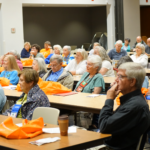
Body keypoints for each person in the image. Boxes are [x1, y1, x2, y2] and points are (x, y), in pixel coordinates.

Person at [99, 62, 150, 150]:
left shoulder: (134, 106)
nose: (116, 80)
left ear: (132, 81)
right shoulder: (132, 100)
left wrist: (109, 100)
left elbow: (104, 127)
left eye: (120, 76)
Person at [75, 55, 105, 129]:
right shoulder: (86, 74)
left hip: (88, 104)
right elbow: (77, 88)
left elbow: (95, 95)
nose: (87, 66)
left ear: (96, 67)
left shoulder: (98, 77)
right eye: (86, 64)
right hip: (77, 100)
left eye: (89, 65)